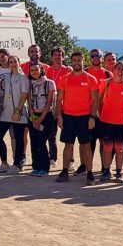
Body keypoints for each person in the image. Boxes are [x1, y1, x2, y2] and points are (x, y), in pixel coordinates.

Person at [55, 52, 100, 185]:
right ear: (71, 62)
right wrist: (59, 116)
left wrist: (92, 117)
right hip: (68, 117)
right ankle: (64, 171)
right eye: (74, 60)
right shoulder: (65, 79)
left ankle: (90, 173)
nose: (76, 62)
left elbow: (95, 100)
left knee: (86, 145)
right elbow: (59, 100)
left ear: (83, 62)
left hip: (84, 117)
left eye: (79, 60)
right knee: (68, 144)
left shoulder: (90, 79)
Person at [97, 61, 123, 183]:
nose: (120, 71)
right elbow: (99, 100)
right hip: (106, 121)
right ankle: (106, 171)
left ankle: (119, 172)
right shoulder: (106, 83)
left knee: (119, 148)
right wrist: (101, 113)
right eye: (118, 68)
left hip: (122, 122)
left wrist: (121, 112)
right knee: (107, 147)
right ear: (113, 70)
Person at [0, 55, 29, 173]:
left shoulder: (23, 78)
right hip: (6, 112)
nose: (13, 63)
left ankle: (16, 164)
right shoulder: (6, 77)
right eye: (11, 62)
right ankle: (4, 163)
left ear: (19, 63)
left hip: (18, 112)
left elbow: (24, 95)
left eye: (15, 61)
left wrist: (18, 111)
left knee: (18, 139)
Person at [27, 63, 56, 177]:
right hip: (33, 115)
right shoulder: (29, 84)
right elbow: (29, 103)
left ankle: (45, 167)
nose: (34, 72)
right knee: (34, 142)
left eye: (36, 69)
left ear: (42, 70)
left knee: (41, 142)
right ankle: (36, 166)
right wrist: (34, 119)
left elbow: (49, 103)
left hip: (46, 116)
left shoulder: (49, 83)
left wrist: (40, 120)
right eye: (32, 70)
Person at [47, 47, 72, 168]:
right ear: (52, 57)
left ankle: (71, 161)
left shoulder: (68, 70)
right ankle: (53, 158)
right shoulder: (47, 70)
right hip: (51, 107)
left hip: (65, 106)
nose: (57, 57)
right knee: (51, 135)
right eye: (55, 55)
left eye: (60, 55)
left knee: (68, 135)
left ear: (63, 57)